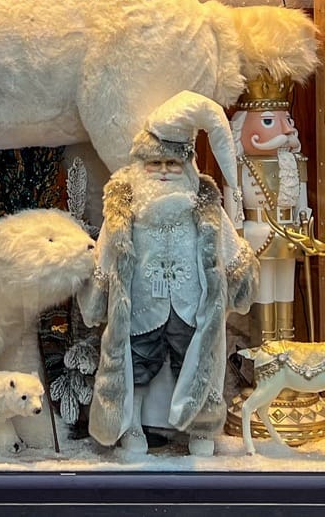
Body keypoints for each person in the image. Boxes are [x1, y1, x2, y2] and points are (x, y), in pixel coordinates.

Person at [82, 91, 255, 457]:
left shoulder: (202, 202)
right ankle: (131, 425)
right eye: (155, 163)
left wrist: (239, 276)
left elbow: (226, 243)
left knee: (195, 365)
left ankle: (200, 429)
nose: (163, 171)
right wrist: (98, 295)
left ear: (187, 166)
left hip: (190, 305)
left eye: (172, 164)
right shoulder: (126, 205)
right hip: (142, 305)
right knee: (137, 365)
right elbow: (107, 250)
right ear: (140, 165)